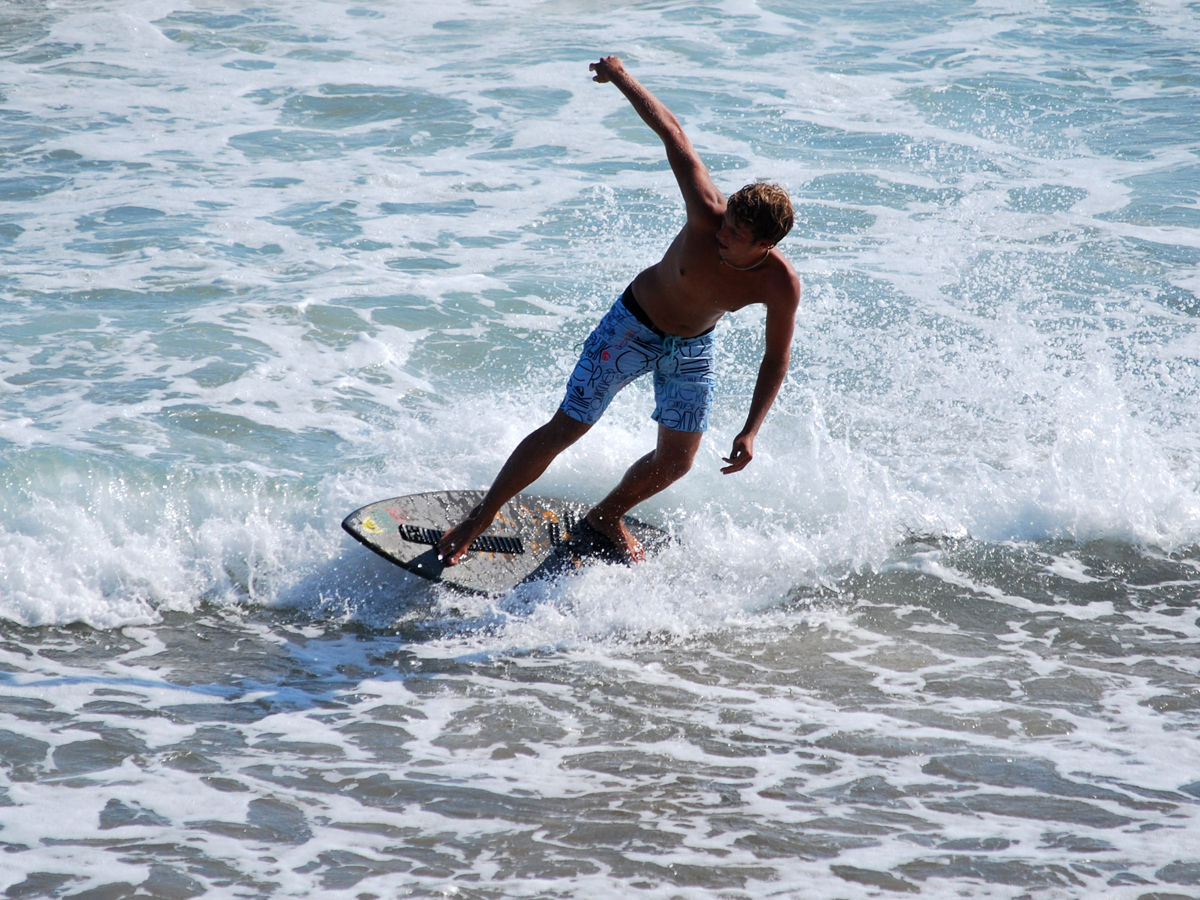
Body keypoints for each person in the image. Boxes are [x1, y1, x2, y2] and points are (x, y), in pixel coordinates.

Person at [437, 55, 801, 565]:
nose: (722, 234)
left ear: (764, 244)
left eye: (736, 235)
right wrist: (621, 77)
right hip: (631, 327)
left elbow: (775, 360)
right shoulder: (707, 210)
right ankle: (480, 518)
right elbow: (673, 132)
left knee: (676, 462)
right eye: (726, 222)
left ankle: (605, 516)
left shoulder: (780, 284)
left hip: (693, 345)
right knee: (566, 427)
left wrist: (751, 429)